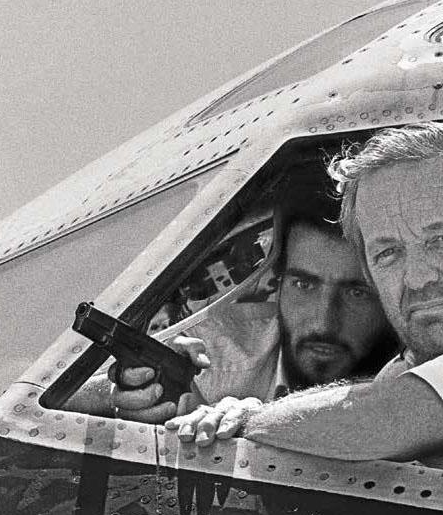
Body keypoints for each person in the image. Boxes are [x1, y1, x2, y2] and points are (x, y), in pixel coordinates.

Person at [166, 122, 443, 474]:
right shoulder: (404, 369)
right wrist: (182, 406)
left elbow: (382, 420)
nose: (416, 279)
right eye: (388, 253)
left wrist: (246, 419)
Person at [69, 179, 398, 421]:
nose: (324, 321)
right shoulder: (218, 350)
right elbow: (57, 400)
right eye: (303, 285)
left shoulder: (418, 359)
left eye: (357, 293)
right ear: (278, 282)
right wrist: (126, 391)